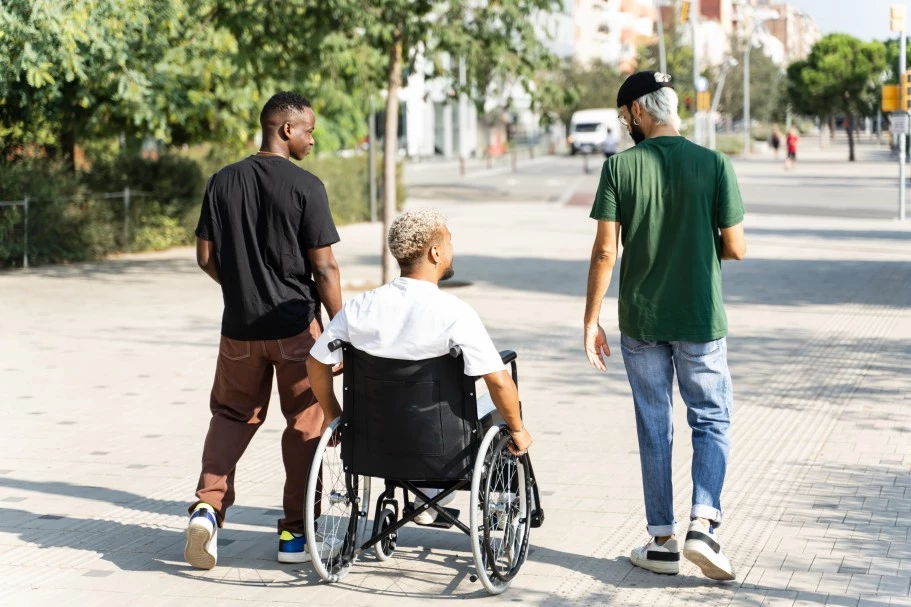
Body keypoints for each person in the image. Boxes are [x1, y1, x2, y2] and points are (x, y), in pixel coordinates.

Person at [583, 72, 746, 581]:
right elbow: (736, 246)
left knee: (655, 426)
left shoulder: (618, 169)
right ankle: (703, 524)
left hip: (641, 319)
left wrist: (591, 321)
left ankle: (661, 541)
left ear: (637, 111)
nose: (624, 122)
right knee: (711, 420)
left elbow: (607, 251)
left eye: (623, 114)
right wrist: (698, 249)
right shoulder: (715, 164)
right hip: (700, 316)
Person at [185, 92, 343, 569]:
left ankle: (207, 510)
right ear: (285, 129)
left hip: (239, 328)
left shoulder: (221, 181)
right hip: (297, 327)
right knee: (305, 422)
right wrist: (343, 331)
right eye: (308, 130)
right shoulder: (306, 187)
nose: (313, 139)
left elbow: (205, 257)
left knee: (231, 416)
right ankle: (295, 534)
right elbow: (326, 270)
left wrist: (240, 289)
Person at [306, 208, 533, 525]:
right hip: (441, 447)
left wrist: (332, 414)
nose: (452, 250)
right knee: (504, 408)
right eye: (450, 242)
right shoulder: (455, 313)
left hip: (374, 442)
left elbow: (316, 361)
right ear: (435, 252)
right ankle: (439, 497)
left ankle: (423, 499)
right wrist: (519, 429)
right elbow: (497, 381)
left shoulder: (358, 308)